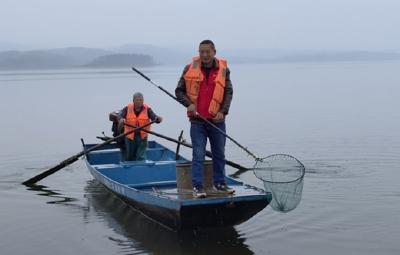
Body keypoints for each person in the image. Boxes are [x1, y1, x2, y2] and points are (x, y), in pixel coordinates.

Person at [175, 40, 234, 198]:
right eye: (202, 52)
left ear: (214, 52)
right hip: (197, 121)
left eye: (208, 51)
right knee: (198, 154)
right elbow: (179, 91)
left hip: (217, 121)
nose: (205, 55)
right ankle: (197, 187)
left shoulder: (224, 70)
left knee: (219, 154)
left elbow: (228, 92)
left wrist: (223, 111)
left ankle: (220, 184)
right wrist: (188, 104)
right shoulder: (189, 68)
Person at [117, 92, 162, 161]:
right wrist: (121, 119)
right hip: (130, 136)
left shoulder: (147, 109)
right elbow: (120, 115)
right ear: (133, 100)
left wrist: (158, 118)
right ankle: (129, 168)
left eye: (141, 100)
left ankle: (141, 168)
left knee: (141, 156)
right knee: (129, 156)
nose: (139, 102)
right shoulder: (127, 108)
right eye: (138, 100)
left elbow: (154, 117)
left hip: (142, 137)